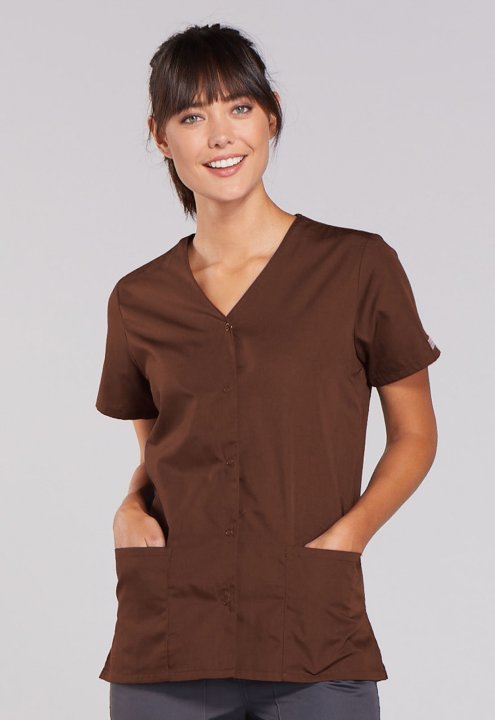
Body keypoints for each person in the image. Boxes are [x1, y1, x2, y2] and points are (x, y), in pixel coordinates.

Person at [95, 22, 441, 720]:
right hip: (168, 640)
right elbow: (161, 448)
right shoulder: (139, 298)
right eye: (192, 117)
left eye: (239, 107)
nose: (220, 136)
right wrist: (130, 507)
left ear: (271, 115)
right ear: (160, 137)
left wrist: (347, 539)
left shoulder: (357, 267)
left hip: (310, 632)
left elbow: (415, 435)